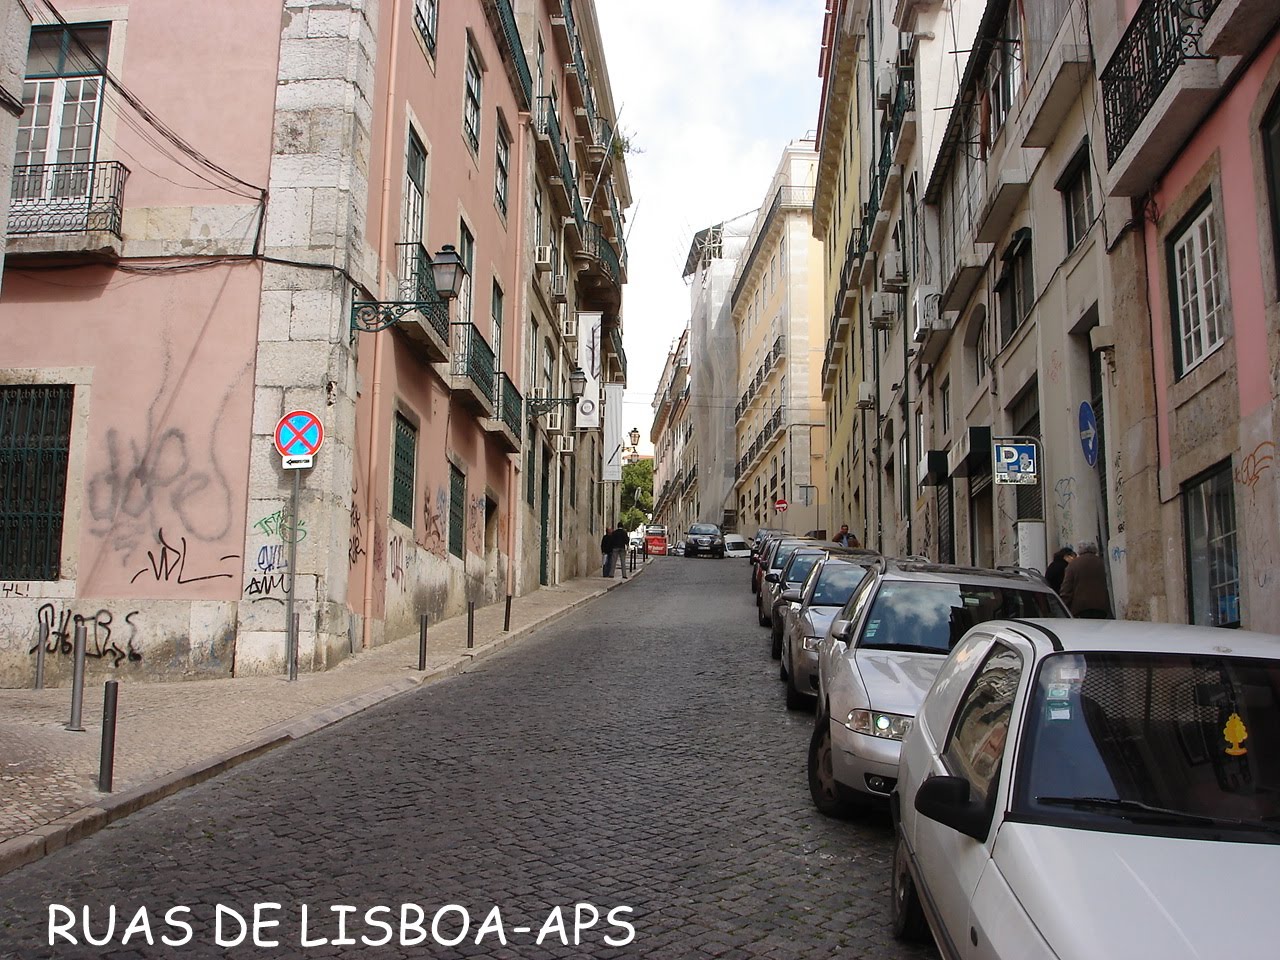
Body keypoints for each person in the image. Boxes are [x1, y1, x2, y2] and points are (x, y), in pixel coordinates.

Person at [1060, 542, 1111, 618]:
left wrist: (1063, 605)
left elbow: (1067, 587)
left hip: (1081, 607)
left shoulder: (1073, 564)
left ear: (1080, 551)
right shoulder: (1101, 562)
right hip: (1101, 606)